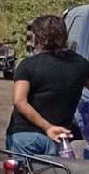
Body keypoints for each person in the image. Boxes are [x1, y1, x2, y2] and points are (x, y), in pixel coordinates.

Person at [6, 15, 89, 156]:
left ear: (37, 37)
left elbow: (19, 101)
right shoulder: (81, 64)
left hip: (25, 137)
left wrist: (48, 127)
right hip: (60, 138)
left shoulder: (28, 65)